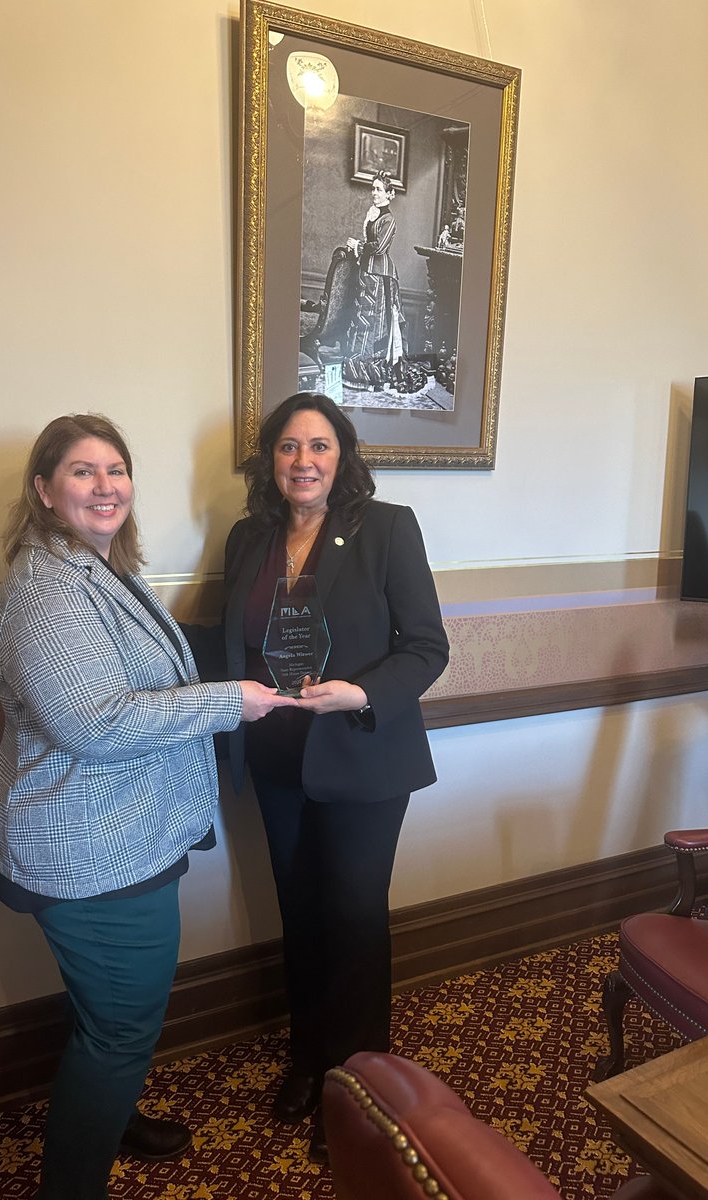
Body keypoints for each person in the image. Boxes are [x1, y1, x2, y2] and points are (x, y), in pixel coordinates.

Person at [0, 413, 295, 1200]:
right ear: (43, 490)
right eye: (82, 472)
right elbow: (95, 720)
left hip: (121, 838)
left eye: (115, 470)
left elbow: (142, 668)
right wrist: (232, 700)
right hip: (90, 850)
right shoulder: (47, 585)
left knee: (107, 1019)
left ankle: (113, 1115)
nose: (104, 486)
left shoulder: (97, 567)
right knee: (120, 1030)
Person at [187, 393, 449, 1163]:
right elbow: (229, 637)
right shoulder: (247, 537)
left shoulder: (388, 528)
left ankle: (360, 1090)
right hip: (276, 758)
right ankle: (309, 1059)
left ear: (343, 457)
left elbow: (426, 647)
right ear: (270, 461)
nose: (304, 461)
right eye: (289, 448)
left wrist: (360, 695)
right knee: (300, 916)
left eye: (320, 447)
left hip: (362, 756)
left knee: (355, 921)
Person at [343, 170, 408, 390]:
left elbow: (379, 248)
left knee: (374, 322)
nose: (375, 193)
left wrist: (358, 246)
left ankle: (372, 376)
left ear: (390, 194)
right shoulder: (374, 214)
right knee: (362, 318)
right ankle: (356, 372)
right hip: (367, 273)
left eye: (379, 189)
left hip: (380, 277)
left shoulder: (388, 219)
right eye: (373, 188)